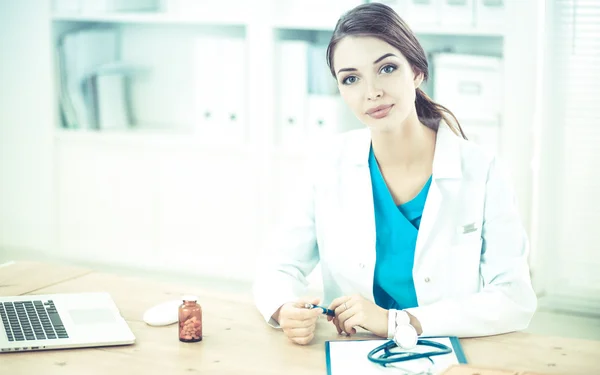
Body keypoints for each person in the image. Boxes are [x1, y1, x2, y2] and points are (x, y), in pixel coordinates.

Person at [253, 2, 537, 346]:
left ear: (416, 71)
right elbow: (279, 265)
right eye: (351, 78)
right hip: (352, 351)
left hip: (450, 349)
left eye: (386, 68)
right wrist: (284, 308)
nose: (371, 92)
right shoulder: (327, 164)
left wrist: (398, 321)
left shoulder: (483, 171)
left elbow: (514, 298)